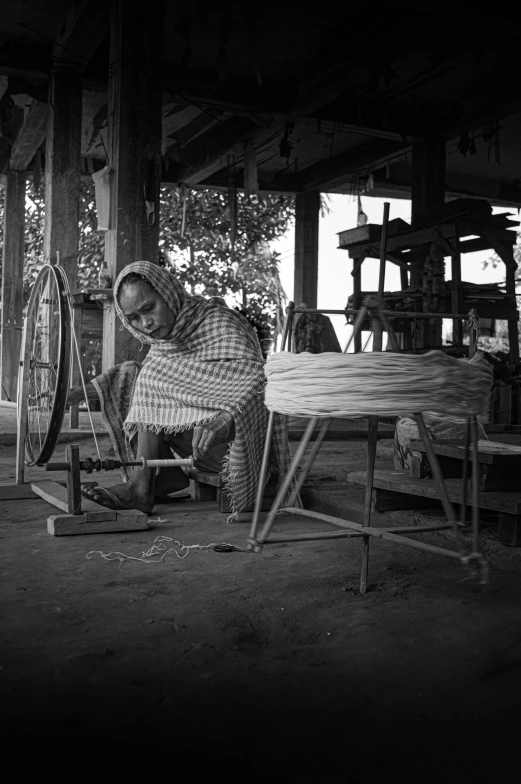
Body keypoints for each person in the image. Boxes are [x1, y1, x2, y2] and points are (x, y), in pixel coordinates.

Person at [69, 261, 290, 516]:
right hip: (199, 448)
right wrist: (78, 393)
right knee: (136, 374)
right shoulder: (165, 343)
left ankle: (140, 488)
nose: (146, 323)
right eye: (134, 318)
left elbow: (263, 383)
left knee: (150, 377)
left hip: (241, 451)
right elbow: (141, 381)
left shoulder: (218, 323)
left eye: (149, 308)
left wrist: (225, 419)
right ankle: (165, 476)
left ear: (168, 292)